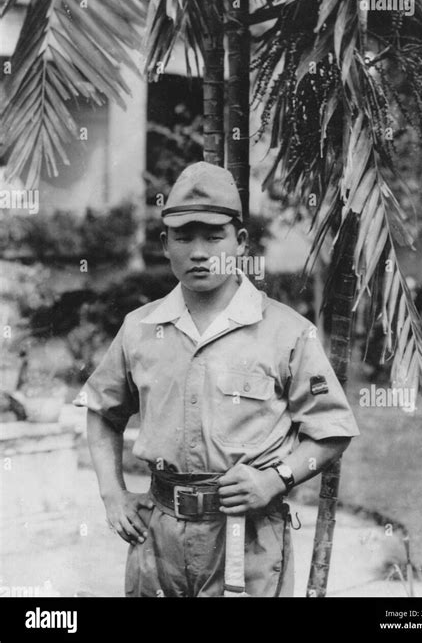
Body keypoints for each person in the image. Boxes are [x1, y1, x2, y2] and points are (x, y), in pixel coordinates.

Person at [73, 161, 359, 598]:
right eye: (184, 237)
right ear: (165, 244)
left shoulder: (285, 331)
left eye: (213, 235)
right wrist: (112, 493)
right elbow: (102, 411)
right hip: (159, 537)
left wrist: (276, 479)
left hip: (248, 538)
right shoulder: (140, 328)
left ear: (240, 242)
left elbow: (333, 431)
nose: (199, 251)